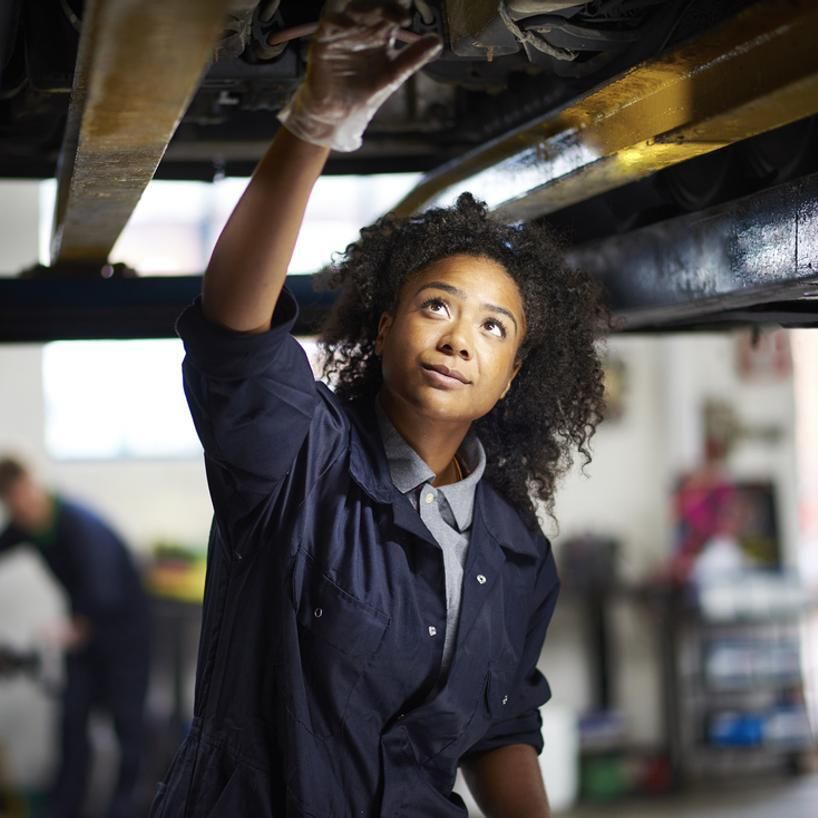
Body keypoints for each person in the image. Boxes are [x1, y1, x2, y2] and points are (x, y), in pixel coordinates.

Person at [151, 2, 606, 816]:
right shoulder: (299, 459)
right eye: (437, 306)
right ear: (388, 326)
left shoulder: (515, 552)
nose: (459, 337)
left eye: (492, 327)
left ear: (510, 376)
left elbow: (499, 727)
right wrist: (317, 119)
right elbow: (234, 326)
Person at [0, 457, 150, 818]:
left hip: (122, 634)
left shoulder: (79, 526)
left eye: (22, 499)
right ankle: (63, 808)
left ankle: (125, 808)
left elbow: (106, 594)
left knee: (127, 728)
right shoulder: (29, 524)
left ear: (32, 486)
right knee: (72, 721)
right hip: (84, 635)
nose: (20, 511)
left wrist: (67, 631)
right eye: (11, 505)